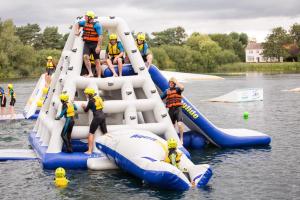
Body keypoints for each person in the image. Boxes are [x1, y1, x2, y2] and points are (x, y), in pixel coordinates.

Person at [75, 11, 103, 77]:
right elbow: (77, 24)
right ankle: (90, 73)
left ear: (90, 18)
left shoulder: (97, 25)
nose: (85, 17)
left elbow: (100, 36)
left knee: (97, 61)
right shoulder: (84, 23)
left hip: (95, 44)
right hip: (87, 44)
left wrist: (98, 46)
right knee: (85, 57)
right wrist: (77, 31)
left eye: (86, 16)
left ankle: (99, 76)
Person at [81, 87, 107, 154]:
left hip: (97, 117)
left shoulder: (91, 101)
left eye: (86, 94)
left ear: (89, 94)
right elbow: (103, 100)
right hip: (103, 116)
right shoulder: (98, 98)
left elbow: (86, 110)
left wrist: (83, 106)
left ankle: (89, 151)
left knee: (91, 133)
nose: (85, 95)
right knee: (105, 133)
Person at [161, 77, 184, 143]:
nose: (171, 84)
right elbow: (160, 98)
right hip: (171, 110)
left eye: (172, 83)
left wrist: (176, 81)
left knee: (179, 124)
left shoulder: (178, 89)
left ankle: (181, 139)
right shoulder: (166, 91)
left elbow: (182, 87)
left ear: (174, 84)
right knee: (172, 126)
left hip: (178, 109)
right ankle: (174, 139)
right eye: (170, 83)